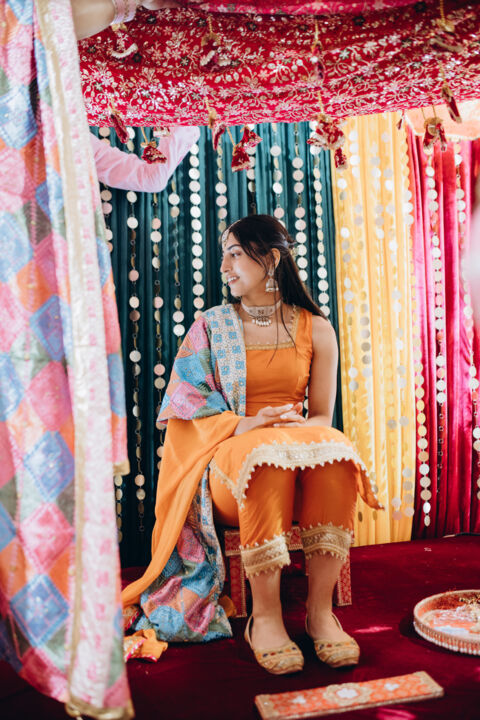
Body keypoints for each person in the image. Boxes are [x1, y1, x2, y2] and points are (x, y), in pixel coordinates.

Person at [122, 214, 381, 673]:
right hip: (231, 473)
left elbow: (321, 417)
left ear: (271, 260)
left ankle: (321, 614)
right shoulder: (211, 328)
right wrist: (249, 424)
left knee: (336, 451)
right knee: (264, 457)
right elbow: (184, 412)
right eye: (224, 255)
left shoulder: (317, 329)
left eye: (235, 254)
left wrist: (288, 432)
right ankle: (265, 618)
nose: (224, 266)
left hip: (297, 455)